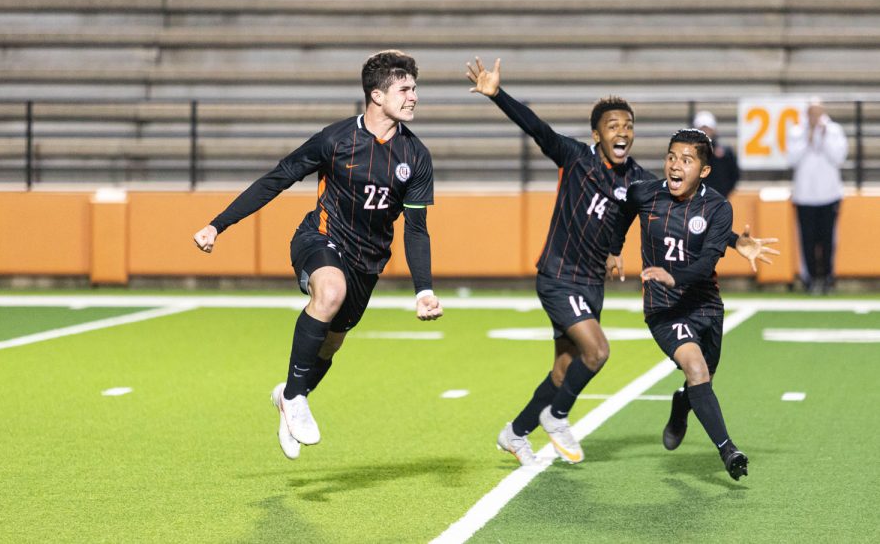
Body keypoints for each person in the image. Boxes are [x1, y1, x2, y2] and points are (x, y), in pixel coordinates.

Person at [465, 57, 776, 468]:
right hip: (559, 275)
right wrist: (497, 95)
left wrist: (736, 242)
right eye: (613, 126)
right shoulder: (575, 157)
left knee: (563, 370)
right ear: (597, 134)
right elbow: (537, 129)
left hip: (592, 284)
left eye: (628, 126)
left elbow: (682, 208)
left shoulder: (639, 181)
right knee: (597, 352)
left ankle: (515, 433)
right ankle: (556, 417)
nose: (622, 132)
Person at [193, 50, 443, 461]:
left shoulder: (416, 157)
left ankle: (290, 397)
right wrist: (217, 225)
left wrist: (423, 291)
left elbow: (416, 229)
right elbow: (277, 179)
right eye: (404, 89)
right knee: (329, 293)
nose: (413, 96)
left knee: (329, 347)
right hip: (319, 239)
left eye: (415, 88)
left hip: (369, 262)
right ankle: (294, 398)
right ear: (377, 96)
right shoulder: (336, 139)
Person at [609, 128, 774, 481]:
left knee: (703, 379)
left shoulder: (717, 207)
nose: (674, 166)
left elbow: (706, 262)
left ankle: (681, 405)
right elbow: (623, 213)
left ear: (703, 171)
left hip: (705, 306)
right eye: (671, 157)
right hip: (664, 308)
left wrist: (678, 275)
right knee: (696, 369)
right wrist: (613, 249)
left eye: (686, 160)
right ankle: (729, 451)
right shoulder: (645, 194)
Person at [787, 97, 848, 294]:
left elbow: (838, 157)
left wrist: (823, 136)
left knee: (828, 239)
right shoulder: (797, 131)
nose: (814, 117)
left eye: (817, 113)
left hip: (829, 195)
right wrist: (809, 137)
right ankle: (810, 278)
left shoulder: (834, 131)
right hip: (804, 196)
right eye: (811, 113)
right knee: (807, 240)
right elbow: (792, 159)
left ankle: (828, 277)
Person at [693, 110, 740, 198]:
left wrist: (723, 194)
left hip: (718, 199)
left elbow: (734, 174)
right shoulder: (688, 152)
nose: (705, 131)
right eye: (702, 129)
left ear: (713, 130)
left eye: (707, 129)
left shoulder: (724, 152)